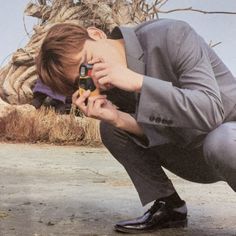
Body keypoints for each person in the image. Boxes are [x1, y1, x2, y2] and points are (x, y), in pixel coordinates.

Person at [35, 19, 236, 234]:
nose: (95, 78)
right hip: (194, 159)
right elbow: (163, 130)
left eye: (87, 62)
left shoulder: (173, 34)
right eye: (82, 78)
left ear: (96, 34)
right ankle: (170, 208)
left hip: (228, 141)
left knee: (220, 140)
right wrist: (118, 118)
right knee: (111, 126)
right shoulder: (107, 86)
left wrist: (138, 82)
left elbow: (212, 112)